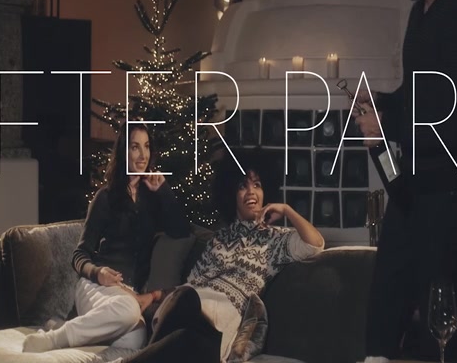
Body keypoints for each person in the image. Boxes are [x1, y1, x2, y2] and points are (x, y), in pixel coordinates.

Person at [353, 0, 457, 362]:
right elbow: (417, 96)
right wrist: (380, 102)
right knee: (382, 314)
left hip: (446, 195)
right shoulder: (419, 15)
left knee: (439, 330)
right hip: (410, 190)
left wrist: (388, 123)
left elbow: (453, 116)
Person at [136, 150, 325, 362]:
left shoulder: (275, 239)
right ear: (231, 194)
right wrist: (154, 296)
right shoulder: (218, 240)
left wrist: (287, 210)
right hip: (190, 313)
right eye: (243, 186)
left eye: (257, 185)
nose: (251, 192)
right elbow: (190, 286)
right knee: (183, 312)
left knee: (183, 312)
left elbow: (315, 245)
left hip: (220, 323)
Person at [22, 123, 191, 353]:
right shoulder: (106, 197)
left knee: (134, 340)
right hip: (95, 287)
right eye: (135, 147)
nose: (143, 155)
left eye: (146, 146)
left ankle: (69, 326)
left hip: (127, 294)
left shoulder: (152, 198)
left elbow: (181, 231)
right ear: (124, 152)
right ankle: (53, 339)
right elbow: (79, 255)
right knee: (129, 311)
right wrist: (98, 273)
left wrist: (163, 190)